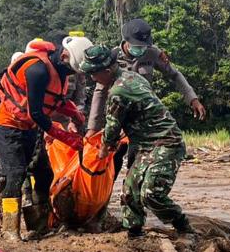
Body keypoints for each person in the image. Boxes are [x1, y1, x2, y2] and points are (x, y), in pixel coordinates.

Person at [80, 45, 195, 239]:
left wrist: (104, 150)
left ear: (107, 71)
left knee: (151, 193)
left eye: (93, 73)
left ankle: (183, 227)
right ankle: (134, 232)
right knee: (130, 190)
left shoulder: (119, 91)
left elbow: (112, 127)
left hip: (166, 142)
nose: (92, 78)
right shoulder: (132, 77)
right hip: (143, 144)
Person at [0, 39, 86, 241]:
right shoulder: (38, 71)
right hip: (8, 126)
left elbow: (55, 100)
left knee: (44, 174)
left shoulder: (59, 71)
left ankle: (40, 224)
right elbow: (36, 112)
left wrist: (75, 115)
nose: (71, 75)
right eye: (71, 70)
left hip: (29, 128)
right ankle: (10, 229)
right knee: (15, 175)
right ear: (63, 57)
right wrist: (67, 138)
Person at [86, 18, 206, 176]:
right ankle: (106, 194)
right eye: (137, 46)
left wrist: (192, 98)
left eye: (144, 46)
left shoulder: (153, 53)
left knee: (136, 159)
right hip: (119, 114)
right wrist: (93, 127)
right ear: (126, 42)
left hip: (142, 117)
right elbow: (100, 91)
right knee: (113, 157)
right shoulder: (112, 57)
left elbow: (175, 75)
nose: (141, 50)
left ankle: (131, 193)